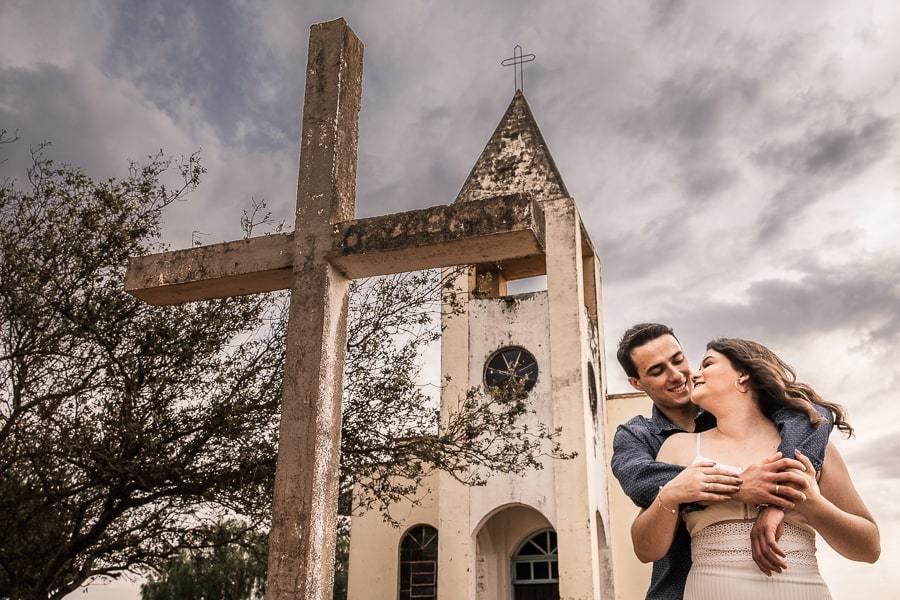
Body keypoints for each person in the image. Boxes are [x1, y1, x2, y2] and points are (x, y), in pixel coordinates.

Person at [632, 338, 880, 599]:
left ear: (743, 375)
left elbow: (869, 548)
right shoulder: (678, 447)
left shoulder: (811, 449)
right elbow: (645, 550)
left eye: (708, 363)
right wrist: (671, 494)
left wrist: (811, 502)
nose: (695, 374)